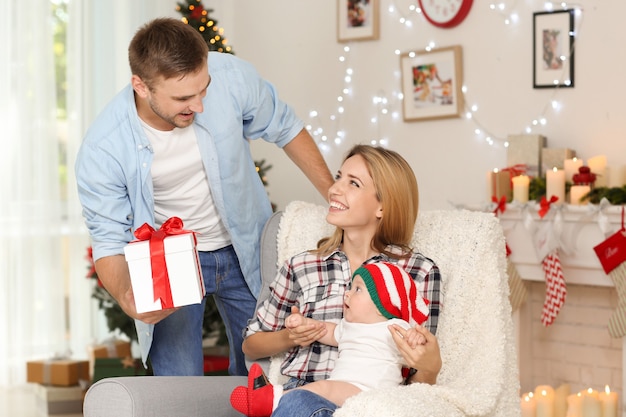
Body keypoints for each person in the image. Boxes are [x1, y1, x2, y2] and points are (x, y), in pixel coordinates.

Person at [74, 17, 334, 377]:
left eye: (203, 89)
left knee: (264, 372)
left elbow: (286, 126)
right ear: (141, 86)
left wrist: (332, 192)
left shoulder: (231, 76)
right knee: (179, 383)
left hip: (245, 244)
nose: (198, 105)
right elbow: (107, 239)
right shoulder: (104, 148)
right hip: (170, 261)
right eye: (182, 97)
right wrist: (129, 298)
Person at [239, 144, 443, 417]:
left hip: (375, 403)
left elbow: (417, 384)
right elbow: (251, 344)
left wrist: (430, 367)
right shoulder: (302, 265)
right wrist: (291, 336)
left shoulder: (417, 270)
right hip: (303, 395)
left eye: (353, 183)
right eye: (338, 177)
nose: (334, 189)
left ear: (383, 206)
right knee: (296, 405)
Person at [230, 261, 431, 416]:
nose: (347, 294)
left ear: (383, 303)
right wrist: (301, 324)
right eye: (351, 287)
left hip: (369, 394)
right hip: (341, 396)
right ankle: (273, 398)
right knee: (322, 390)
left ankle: (271, 399)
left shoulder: (394, 327)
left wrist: (416, 339)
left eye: (357, 289)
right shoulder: (348, 327)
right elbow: (322, 329)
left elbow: (416, 350)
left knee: (322, 388)